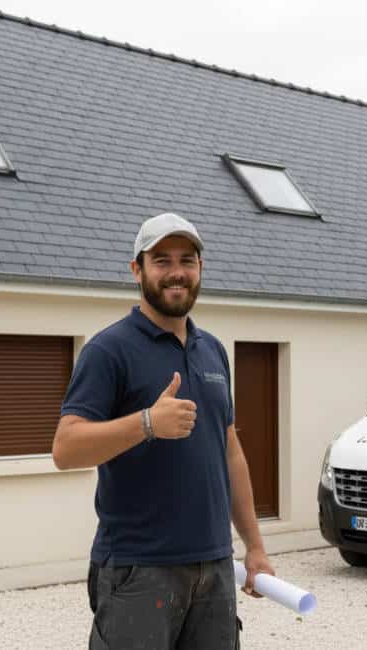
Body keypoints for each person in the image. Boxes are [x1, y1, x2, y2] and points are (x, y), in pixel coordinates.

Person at [52, 212, 274, 649]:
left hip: (214, 566)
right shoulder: (109, 350)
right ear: (137, 270)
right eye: (161, 260)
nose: (176, 272)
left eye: (187, 260)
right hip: (138, 569)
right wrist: (147, 423)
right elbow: (66, 448)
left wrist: (255, 546)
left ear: (200, 269)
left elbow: (229, 449)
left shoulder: (213, 351)